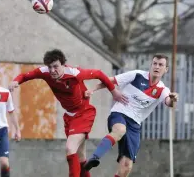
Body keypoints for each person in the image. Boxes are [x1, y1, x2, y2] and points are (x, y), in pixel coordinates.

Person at [8, 49, 128, 177]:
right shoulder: (44, 72)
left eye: (56, 66)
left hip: (84, 113)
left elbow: (99, 74)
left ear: (63, 64)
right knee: (81, 157)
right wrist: (16, 81)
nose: (53, 70)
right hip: (69, 116)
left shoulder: (75, 73)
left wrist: (114, 91)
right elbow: (25, 76)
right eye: (50, 67)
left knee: (70, 148)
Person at [84, 54, 179, 177]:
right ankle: (94, 157)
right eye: (154, 63)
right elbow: (109, 80)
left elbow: (168, 102)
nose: (157, 66)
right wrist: (92, 89)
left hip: (135, 125)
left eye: (160, 65)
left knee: (127, 166)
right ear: (151, 65)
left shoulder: (162, 90)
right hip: (120, 113)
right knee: (120, 130)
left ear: (166, 69)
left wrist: (173, 99)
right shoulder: (136, 75)